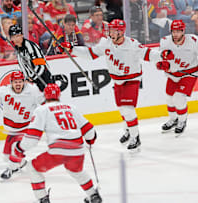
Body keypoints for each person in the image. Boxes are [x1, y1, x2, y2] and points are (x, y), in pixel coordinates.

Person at [70, 19, 170, 150]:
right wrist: (72, 49)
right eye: (110, 30)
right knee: (123, 110)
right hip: (117, 80)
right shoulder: (106, 43)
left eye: (112, 30)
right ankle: (129, 129)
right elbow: (90, 54)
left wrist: (162, 55)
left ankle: (135, 137)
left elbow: (148, 54)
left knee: (127, 109)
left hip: (131, 80)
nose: (110, 33)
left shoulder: (132, 44)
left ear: (120, 32)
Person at [11, 83, 102, 203]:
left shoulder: (42, 110)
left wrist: (19, 147)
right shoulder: (70, 107)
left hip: (58, 151)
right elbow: (89, 131)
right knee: (76, 171)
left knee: (33, 168)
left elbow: (32, 139)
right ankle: (93, 195)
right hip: (77, 150)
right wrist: (91, 139)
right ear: (59, 95)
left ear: (45, 96)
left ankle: (42, 199)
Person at [0, 71, 45, 180]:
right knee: (6, 156)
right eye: (15, 82)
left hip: (28, 127)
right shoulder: (4, 91)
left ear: (24, 82)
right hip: (13, 130)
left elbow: (45, 103)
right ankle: (22, 163)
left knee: (16, 149)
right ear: (11, 83)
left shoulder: (32, 90)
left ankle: (10, 170)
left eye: (20, 81)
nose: (18, 84)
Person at [156, 20, 198, 134]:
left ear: (183, 31)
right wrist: (161, 63)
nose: (175, 34)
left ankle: (182, 121)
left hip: (189, 73)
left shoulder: (194, 41)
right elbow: (160, 57)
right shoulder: (165, 41)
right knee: (169, 98)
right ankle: (173, 119)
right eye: (173, 31)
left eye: (178, 31)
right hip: (173, 74)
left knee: (178, 97)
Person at [9, 24, 54, 92]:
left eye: (18, 36)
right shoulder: (18, 50)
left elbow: (41, 66)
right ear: (11, 38)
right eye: (14, 37)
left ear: (22, 35)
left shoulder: (31, 47)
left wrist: (31, 79)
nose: (16, 39)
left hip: (43, 80)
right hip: (32, 83)